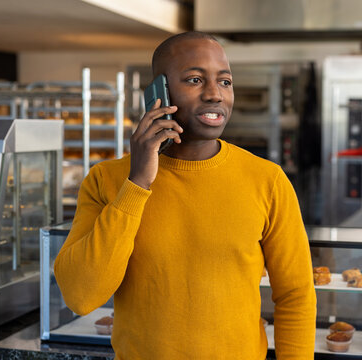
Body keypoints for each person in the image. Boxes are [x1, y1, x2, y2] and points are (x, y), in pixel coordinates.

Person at [54, 31, 316, 360]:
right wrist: (137, 184)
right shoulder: (106, 180)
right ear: (158, 93)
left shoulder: (268, 180)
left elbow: (296, 296)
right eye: (194, 79)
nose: (214, 95)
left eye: (225, 82)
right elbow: (80, 295)